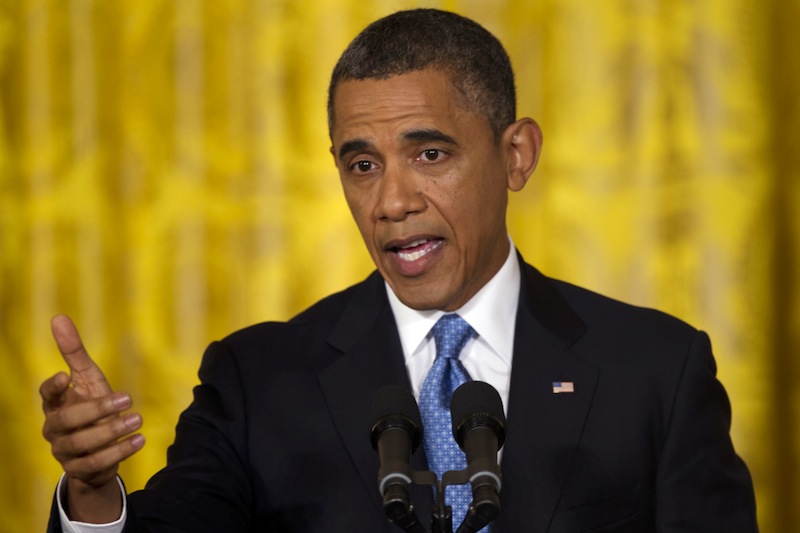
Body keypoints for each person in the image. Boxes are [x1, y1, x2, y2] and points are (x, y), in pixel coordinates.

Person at [41, 8, 758, 532]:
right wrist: (95, 494)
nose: (390, 201)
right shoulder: (258, 380)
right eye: (361, 164)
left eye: (430, 154)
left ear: (516, 155)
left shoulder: (657, 370)